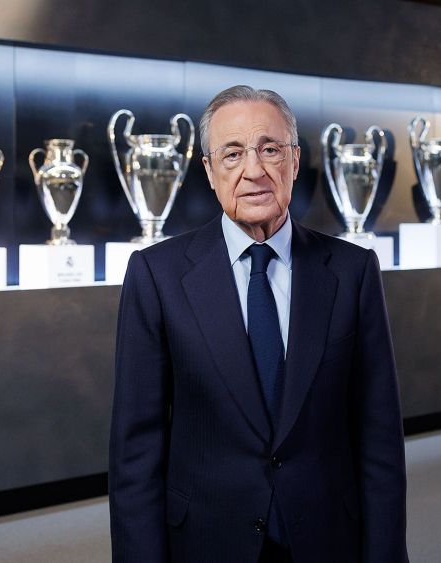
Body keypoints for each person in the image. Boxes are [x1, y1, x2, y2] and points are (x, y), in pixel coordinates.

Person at [109, 85, 408, 563]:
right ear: (208, 170)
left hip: (326, 538)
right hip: (207, 541)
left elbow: (380, 441)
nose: (254, 170)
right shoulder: (157, 275)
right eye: (232, 154)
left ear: (293, 160)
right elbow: (135, 453)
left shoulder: (352, 272)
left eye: (269, 149)